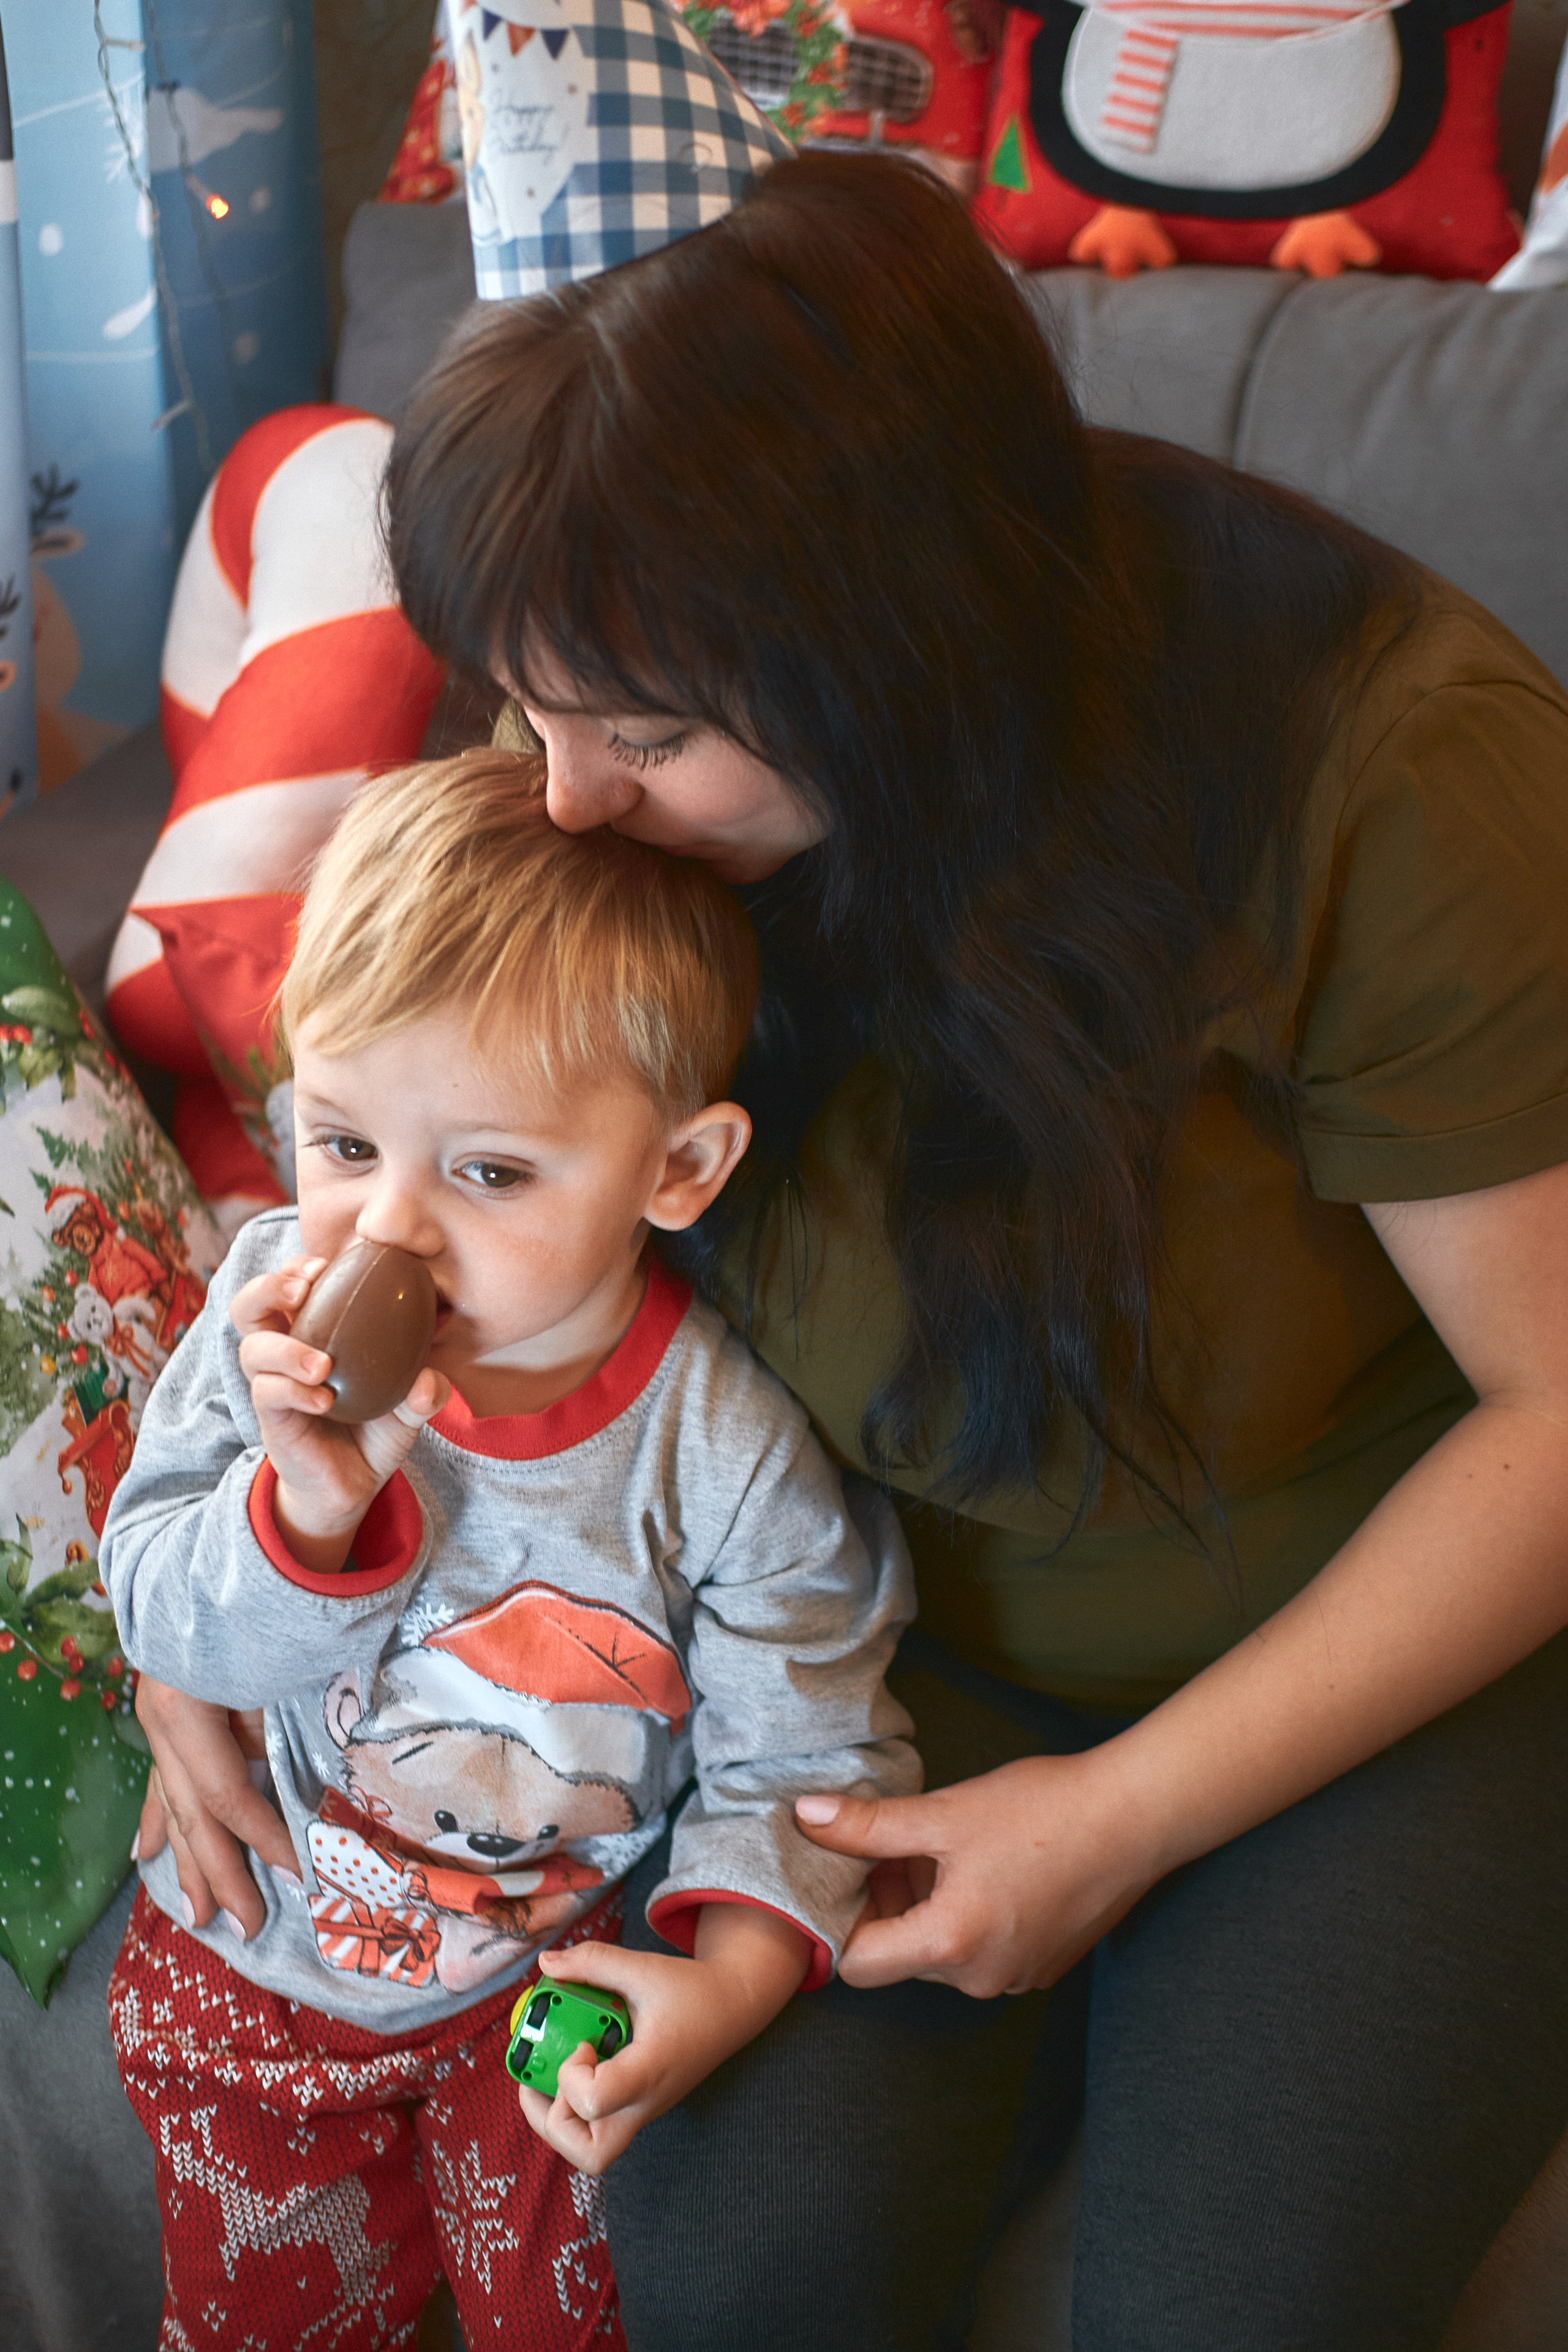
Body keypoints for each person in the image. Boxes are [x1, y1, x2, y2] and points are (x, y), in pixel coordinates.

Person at [121, 64, 1568, 2352]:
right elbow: (373, 1208)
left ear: (886, 656)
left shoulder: (1392, 772)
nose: (564, 796)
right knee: (733, 2267)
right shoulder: (623, 766)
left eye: (650, 733)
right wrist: (194, 1613)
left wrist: (1115, 1820)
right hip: (851, 1662)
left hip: (1366, 1660)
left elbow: (1559, 1415)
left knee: (1241, 2300)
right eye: (531, 701)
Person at [100, 752, 918, 2349]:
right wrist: (307, 1512)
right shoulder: (267, 1309)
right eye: (342, 1144)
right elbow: (166, 1617)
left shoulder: (724, 1456)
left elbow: (810, 1755)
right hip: (254, 1966)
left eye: (485, 1171)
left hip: (535, 1996)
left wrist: (734, 1979)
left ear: (676, 1171)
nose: (385, 1232)